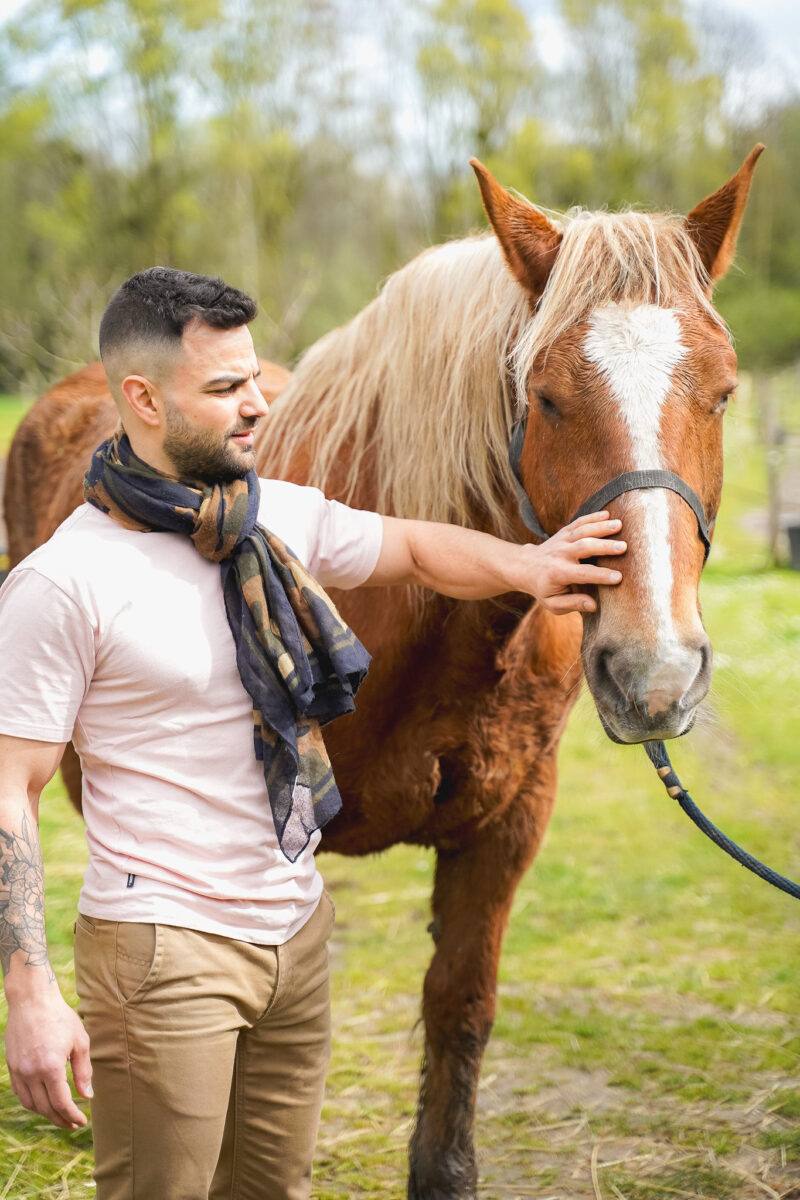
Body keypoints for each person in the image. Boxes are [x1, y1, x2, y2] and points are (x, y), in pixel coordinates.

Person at [0, 268, 626, 1200]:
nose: (257, 407)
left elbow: (414, 548)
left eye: (253, 379)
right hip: (166, 951)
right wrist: (31, 996)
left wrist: (531, 565)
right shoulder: (63, 583)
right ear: (139, 400)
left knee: (275, 1190)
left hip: (293, 937)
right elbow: (11, 788)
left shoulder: (266, 515)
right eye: (223, 391)